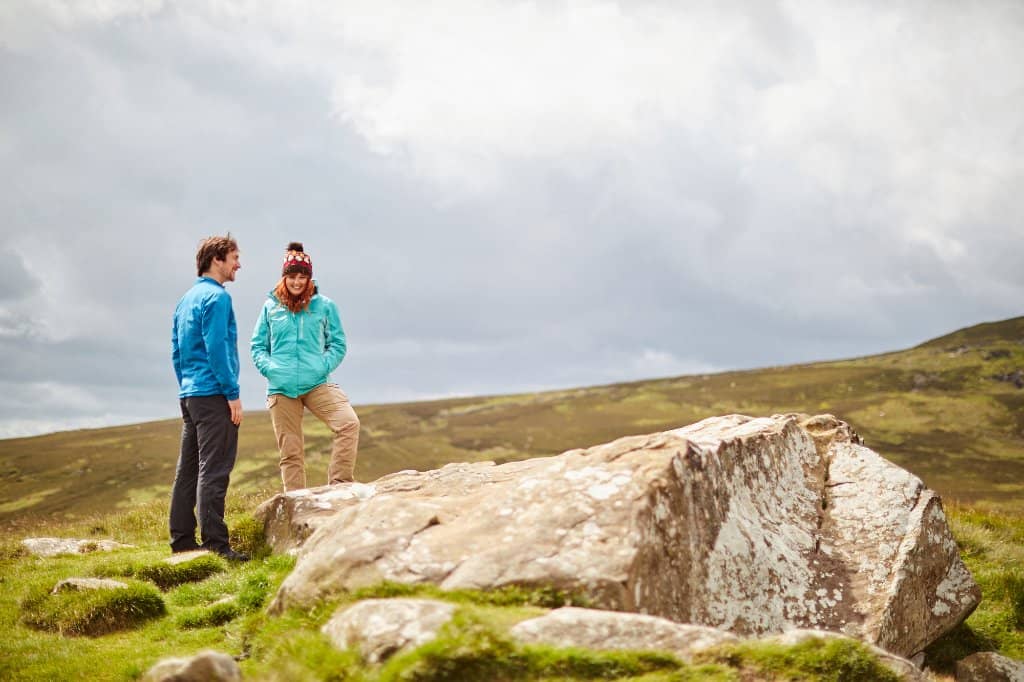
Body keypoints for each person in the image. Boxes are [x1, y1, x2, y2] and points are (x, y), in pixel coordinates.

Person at [251, 242, 360, 491]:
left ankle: (340, 486)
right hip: (281, 388)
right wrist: (271, 369)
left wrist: (322, 366)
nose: (297, 282)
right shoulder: (270, 307)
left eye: (302, 277)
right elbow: (257, 346)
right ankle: (296, 503)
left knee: (348, 423)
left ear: (309, 278)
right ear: (284, 277)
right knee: (291, 453)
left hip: (317, 383)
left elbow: (338, 344)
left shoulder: (325, 305)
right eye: (292, 276)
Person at [169, 234, 248, 562]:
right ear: (217, 259)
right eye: (234, 258)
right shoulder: (218, 298)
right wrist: (232, 393)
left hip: (190, 395)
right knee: (214, 469)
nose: (238, 265)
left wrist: (187, 386)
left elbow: (177, 351)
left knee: (188, 470)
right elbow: (217, 348)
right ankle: (216, 545)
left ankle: (182, 541)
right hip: (213, 394)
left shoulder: (186, 299)